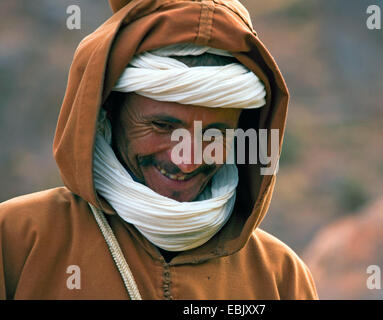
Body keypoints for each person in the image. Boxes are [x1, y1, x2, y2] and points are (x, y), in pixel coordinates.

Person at [0, 0, 318, 299]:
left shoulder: (279, 277)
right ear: (106, 113)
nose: (188, 161)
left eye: (215, 134)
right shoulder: (17, 241)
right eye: (163, 127)